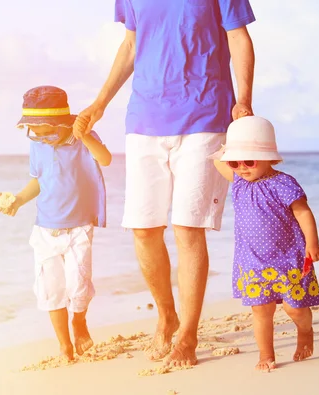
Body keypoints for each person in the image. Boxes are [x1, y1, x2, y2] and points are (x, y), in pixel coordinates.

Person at [72, 0, 257, 366]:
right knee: (143, 229)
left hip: (206, 114)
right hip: (144, 118)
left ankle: (187, 334)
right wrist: (100, 102)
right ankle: (166, 315)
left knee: (189, 228)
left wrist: (244, 99)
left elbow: (238, 36)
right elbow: (130, 45)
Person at [0, 85, 112, 361]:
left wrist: (84, 135)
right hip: (45, 229)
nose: (42, 138)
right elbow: (39, 179)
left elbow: (105, 159)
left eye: (47, 132)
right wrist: (18, 200)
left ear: (64, 124)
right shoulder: (37, 144)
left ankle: (79, 322)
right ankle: (64, 344)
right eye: (34, 133)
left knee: (78, 286)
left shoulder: (81, 140)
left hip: (79, 226)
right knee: (51, 289)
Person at [210, 115, 319, 372]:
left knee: (294, 308)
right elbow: (218, 160)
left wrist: (313, 243)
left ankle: (305, 331)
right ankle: (266, 354)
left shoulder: (283, 183)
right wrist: (232, 143)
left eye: (249, 160)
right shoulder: (239, 181)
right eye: (235, 162)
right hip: (251, 262)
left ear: (269, 158)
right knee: (261, 312)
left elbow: (303, 213)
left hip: (288, 258)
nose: (241, 167)